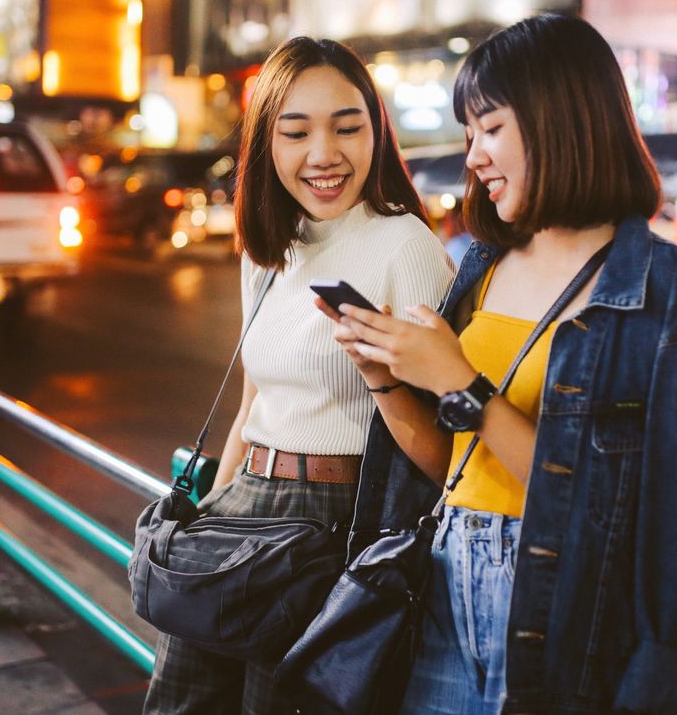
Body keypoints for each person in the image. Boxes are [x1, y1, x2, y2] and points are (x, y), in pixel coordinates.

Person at [326, 14, 677, 714]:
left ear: (561, 118)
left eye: (491, 128)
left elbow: (625, 511)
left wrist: (460, 382)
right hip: (442, 581)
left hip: (559, 604)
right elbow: (449, 466)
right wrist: (383, 372)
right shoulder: (482, 262)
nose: (473, 155)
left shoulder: (658, 285)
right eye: (469, 133)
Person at [143, 36, 454, 715]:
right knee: (179, 703)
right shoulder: (270, 248)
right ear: (268, 142)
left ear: (376, 132)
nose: (324, 154)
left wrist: (384, 379)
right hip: (241, 506)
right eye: (296, 132)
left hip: (331, 527)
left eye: (348, 127)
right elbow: (253, 401)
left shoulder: (405, 245)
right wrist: (209, 518)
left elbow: (446, 454)